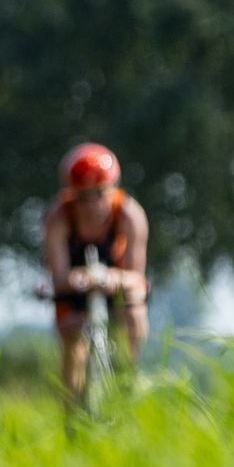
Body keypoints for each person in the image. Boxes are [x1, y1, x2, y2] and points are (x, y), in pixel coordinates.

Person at [43, 142, 149, 400]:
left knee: (134, 311)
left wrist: (113, 278)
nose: (92, 204)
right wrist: (77, 280)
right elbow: (58, 275)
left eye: (100, 193)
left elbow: (136, 275)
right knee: (72, 334)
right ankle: (73, 415)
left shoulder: (129, 214)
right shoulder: (58, 217)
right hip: (74, 284)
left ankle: (127, 381)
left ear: (113, 188)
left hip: (116, 280)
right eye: (83, 196)